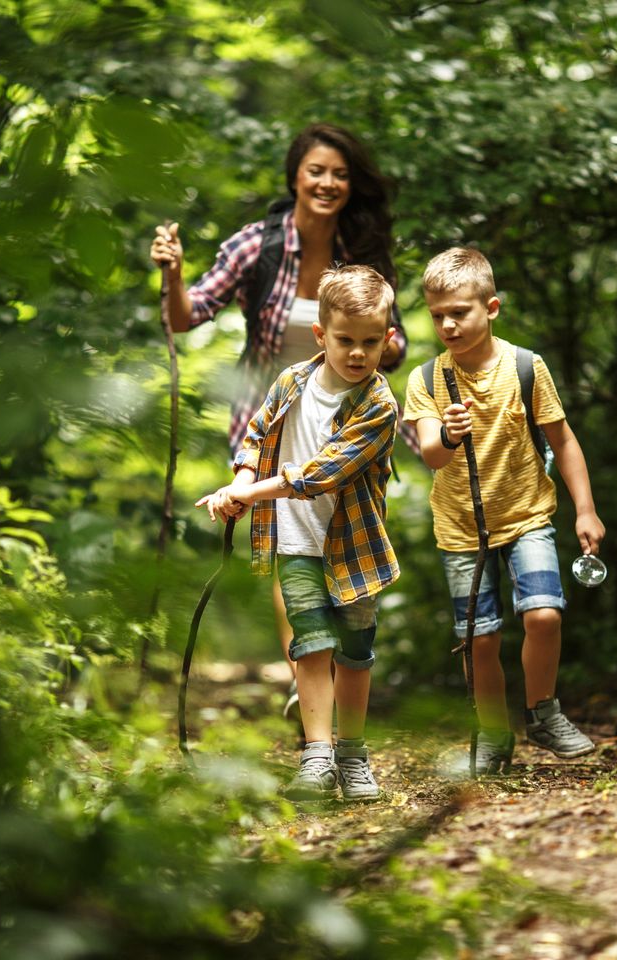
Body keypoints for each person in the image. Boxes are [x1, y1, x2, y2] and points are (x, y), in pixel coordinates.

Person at [150, 123, 407, 714]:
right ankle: (306, 674)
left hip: (348, 415)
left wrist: (370, 345)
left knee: (344, 530)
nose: (329, 182)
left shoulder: (360, 250)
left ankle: (336, 662)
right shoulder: (255, 246)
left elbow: (395, 343)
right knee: (288, 539)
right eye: (317, 170)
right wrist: (172, 274)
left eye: (341, 174)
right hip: (273, 414)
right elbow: (187, 316)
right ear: (295, 174)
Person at [196, 264, 399, 800]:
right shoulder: (292, 382)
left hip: (354, 549)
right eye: (345, 340)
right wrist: (240, 479)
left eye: (371, 342)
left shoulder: (379, 405)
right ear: (320, 335)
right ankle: (317, 755)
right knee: (310, 648)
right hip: (294, 544)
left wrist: (248, 493)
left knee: (354, 654)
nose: (358, 353)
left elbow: (321, 473)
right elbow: (257, 432)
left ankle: (353, 756)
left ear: (388, 339)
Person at [403, 247, 605, 775]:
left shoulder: (524, 367)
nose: (448, 324)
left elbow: (562, 442)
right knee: (479, 638)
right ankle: (493, 733)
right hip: (460, 524)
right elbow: (430, 453)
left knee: (543, 614)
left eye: (459, 312)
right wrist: (448, 432)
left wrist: (586, 509)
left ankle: (542, 712)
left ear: (490, 308)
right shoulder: (426, 379)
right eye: (437, 315)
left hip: (527, 514)